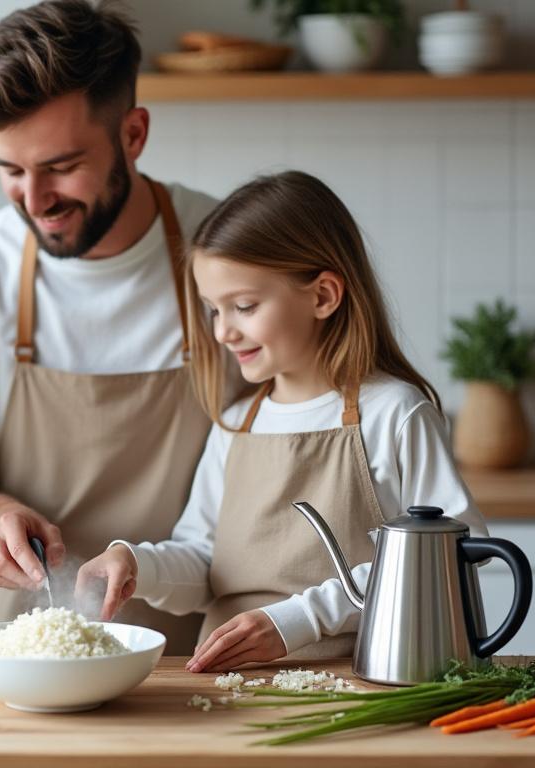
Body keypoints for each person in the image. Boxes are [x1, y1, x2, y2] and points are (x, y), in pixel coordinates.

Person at [0, 0, 221, 653]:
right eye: (11, 171)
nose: (35, 202)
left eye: (61, 167)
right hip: (33, 656)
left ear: (133, 135)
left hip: (205, 655)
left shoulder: (226, 259)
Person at [77, 170, 489, 671]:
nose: (224, 331)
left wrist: (299, 619)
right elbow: (205, 562)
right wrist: (138, 563)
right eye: (212, 309)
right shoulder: (236, 424)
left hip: (360, 681)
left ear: (322, 296)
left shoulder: (395, 413)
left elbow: (456, 551)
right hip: (227, 690)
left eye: (244, 306)